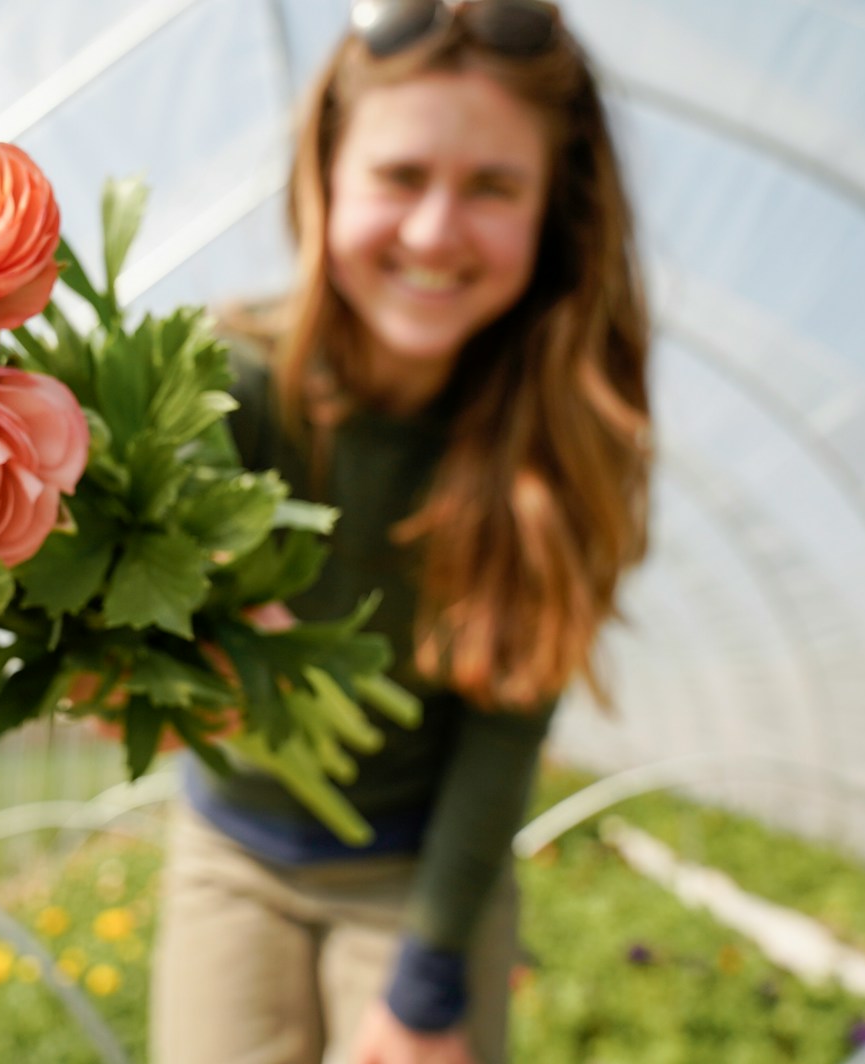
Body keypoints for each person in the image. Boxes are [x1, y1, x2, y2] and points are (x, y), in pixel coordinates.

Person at [149, 1, 651, 1062]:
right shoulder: (216, 385)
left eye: (492, 188)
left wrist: (428, 980)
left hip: (416, 871)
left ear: (554, 214)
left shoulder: (557, 447)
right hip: (228, 845)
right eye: (399, 176)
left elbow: (504, 728)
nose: (432, 232)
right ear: (324, 174)